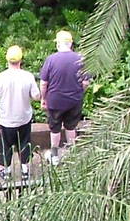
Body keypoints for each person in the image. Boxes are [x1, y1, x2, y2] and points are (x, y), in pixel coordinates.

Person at [0, 44, 40, 182]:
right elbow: (36, 96)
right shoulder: (28, 76)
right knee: (24, 143)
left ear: (7, 60)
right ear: (21, 60)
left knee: (5, 145)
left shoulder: (1, 77)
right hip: (24, 117)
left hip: (6, 119)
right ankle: (24, 169)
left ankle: (7, 171)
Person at [39, 29, 91, 163]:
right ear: (71, 44)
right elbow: (86, 82)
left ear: (58, 44)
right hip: (74, 100)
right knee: (71, 127)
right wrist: (79, 92)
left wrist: (43, 98)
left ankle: (55, 156)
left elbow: (44, 83)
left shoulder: (51, 60)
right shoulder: (80, 59)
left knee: (55, 129)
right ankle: (72, 155)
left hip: (55, 101)